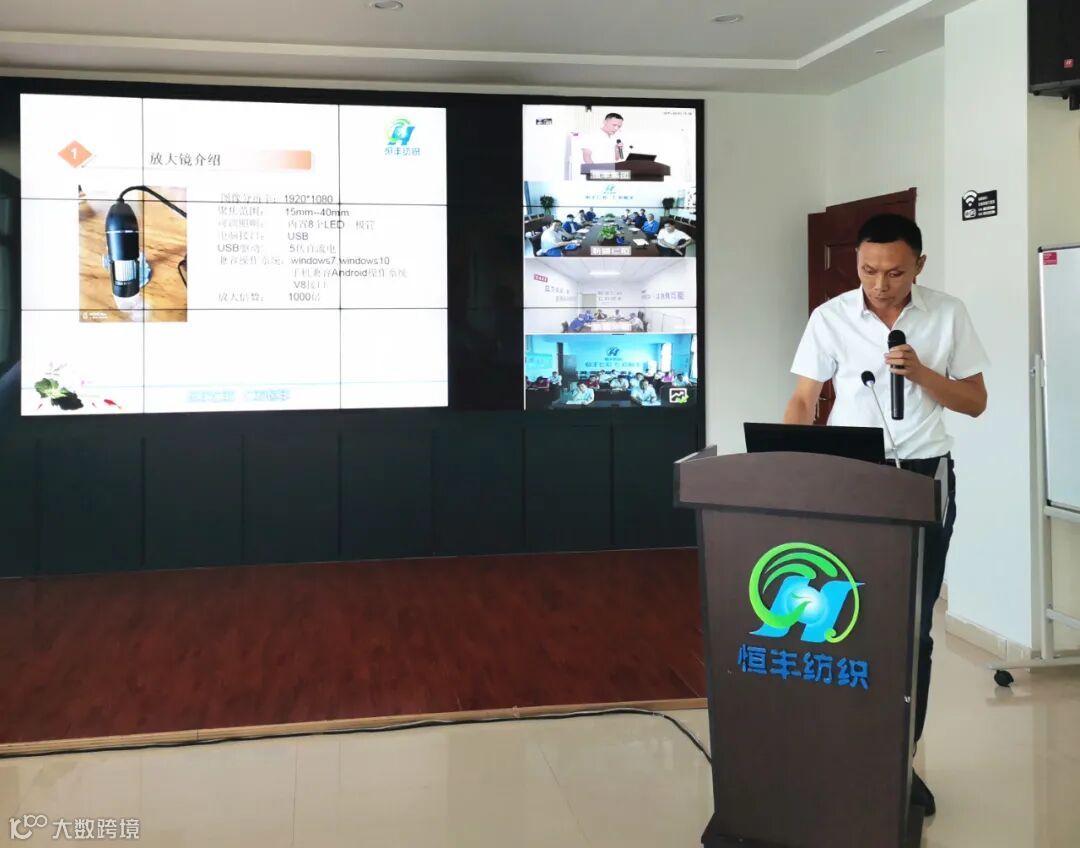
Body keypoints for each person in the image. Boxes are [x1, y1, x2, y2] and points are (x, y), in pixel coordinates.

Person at [784, 213, 988, 818]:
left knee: (912, 626)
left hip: (924, 474)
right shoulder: (830, 317)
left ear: (919, 266)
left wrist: (921, 373)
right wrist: (791, 464)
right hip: (850, 473)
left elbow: (975, 401)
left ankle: (901, 758)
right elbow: (803, 397)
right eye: (868, 270)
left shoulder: (947, 314)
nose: (880, 283)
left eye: (895, 272)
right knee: (840, 618)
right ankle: (839, 750)